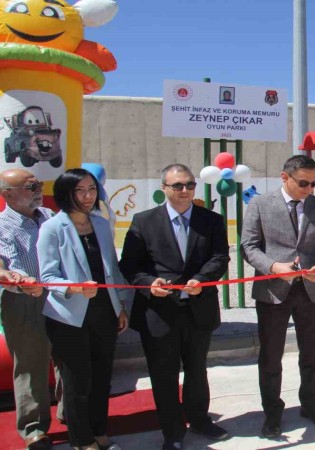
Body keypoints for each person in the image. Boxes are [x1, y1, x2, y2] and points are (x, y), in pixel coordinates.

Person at [120, 164, 230, 450]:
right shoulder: (144, 221)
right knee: (163, 374)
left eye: (190, 185)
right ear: (164, 189)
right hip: (159, 312)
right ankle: (172, 431)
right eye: (178, 185)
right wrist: (149, 283)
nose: (185, 190)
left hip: (198, 308)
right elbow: (129, 265)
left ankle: (200, 419)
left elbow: (220, 257)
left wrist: (201, 279)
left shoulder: (211, 220)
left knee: (197, 369)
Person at [240, 155, 315, 438]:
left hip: (312, 290)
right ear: (284, 177)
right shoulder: (260, 204)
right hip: (273, 291)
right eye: (303, 183)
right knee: (271, 356)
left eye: (314, 183)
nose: (310, 188)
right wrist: (273, 267)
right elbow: (248, 246)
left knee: (312, 354)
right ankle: (272, 413)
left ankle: (310, 404)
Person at [37, 169, 131, 450]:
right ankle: (82, 440)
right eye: (80, 190)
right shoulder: (53, 228)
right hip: (69, 316)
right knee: (77, 382)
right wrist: (75, 287)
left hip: (104, 311)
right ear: (65, 194)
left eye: (92, 189)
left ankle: (100, 432)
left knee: (102, 378)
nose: (88, 196)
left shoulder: (100, 224)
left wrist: (120, 306)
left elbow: (111, 268)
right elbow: (47, 276)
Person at [0, 169, 53, 450]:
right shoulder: (2, 226)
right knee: (31, 365)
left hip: (60, 295)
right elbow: (9, 264)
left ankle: (71, 414)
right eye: (31, 187)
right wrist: (22, 282)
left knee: (69, 357)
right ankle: (34, 428)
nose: (38, 190)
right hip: (24, 299)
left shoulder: (49, 217)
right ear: (8, 195)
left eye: (39, 185)